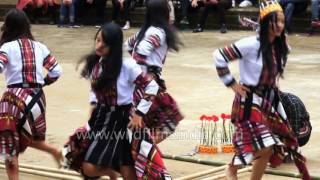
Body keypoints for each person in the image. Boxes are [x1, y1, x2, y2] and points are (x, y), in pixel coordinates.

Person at [213, 0, 310, 179]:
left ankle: (233, 170)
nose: (280, 25)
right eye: (276, 21)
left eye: (282, 21)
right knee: (264, 146)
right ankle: (231, 169)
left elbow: (274, 75)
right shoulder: (250, 44)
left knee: (267, 147)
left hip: (268, 101)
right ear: (266, 22)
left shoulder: (281, 47)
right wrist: (231, 83)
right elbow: (219, 56)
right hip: (249, 101)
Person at [61, 23, 161, 180]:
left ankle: (113, 172)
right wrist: (93, 108)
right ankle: (111, 173)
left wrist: (139, 114)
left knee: (127, 165)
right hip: (101, 117)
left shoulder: (127, 66)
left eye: (104, 43)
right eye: (98, 40)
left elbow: (151, 86)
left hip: (122, 119)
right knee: (81, 159)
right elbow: (94, 89)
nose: (99, 45)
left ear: (113, 46)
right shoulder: (95, 64)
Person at [0, 9, 62, 180]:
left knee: (9, 145)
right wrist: (44, 82)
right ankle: (54, 151)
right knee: (24, 135)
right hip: (37, 98)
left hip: (14, 100)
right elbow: (57, 71)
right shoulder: (40, 46)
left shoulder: (7, 47)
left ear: (8, 27)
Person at [126, 0, 184, 144]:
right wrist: (145, 71)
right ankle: (143, 149)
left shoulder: (144, 30)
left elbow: (128, 45)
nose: (171, 13)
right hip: (147, 82)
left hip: (141, 81)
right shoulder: (158, 32)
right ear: (163, 13)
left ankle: (142, 147)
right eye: (169, 10)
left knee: (150, 119)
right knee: (170, 118)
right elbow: (141, 50)